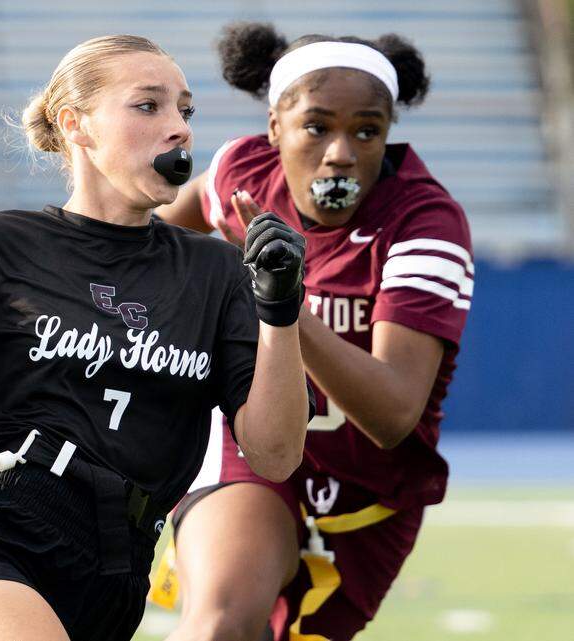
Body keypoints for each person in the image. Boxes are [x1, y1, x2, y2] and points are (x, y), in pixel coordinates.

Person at [0, 34, 312, 641]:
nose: (178, 128)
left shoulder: (218, 272)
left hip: (115, 574)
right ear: (77, 125)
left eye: (186, 110)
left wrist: (280, 312)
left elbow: (276, 456)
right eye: (149, 106)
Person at [156, 23, 472, 641]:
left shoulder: (423, 225)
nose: (340, 153)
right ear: (275, 128)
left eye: (366, 131)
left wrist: (286, 306)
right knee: (220, 621)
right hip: (255, 448)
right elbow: (167, 230)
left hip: (368, 491)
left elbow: (392, 413)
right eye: (317, 126)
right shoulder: (242, 175)